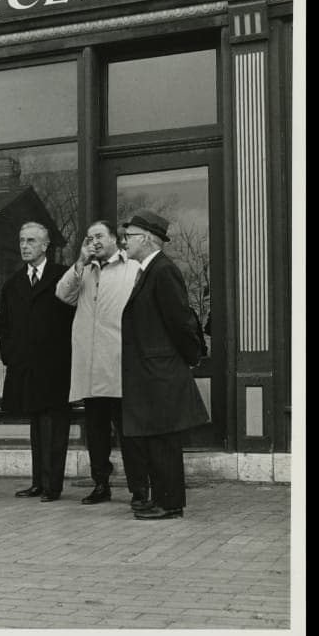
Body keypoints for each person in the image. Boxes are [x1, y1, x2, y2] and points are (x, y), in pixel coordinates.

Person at [120, 210, 210, 520]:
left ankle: (169, 502)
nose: (124, 241)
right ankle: (161, 497)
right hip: (152, 372)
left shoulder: (162, 270)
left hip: (161, 372)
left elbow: (181, 321)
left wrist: (188, 357)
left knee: (164, 439)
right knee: (155, 437)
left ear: (146, 239)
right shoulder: (150, 270)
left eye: (129, 236)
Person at [55, 220, 147, 507]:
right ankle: (100, 484)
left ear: (114, 239)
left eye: (98, 236)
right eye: (88, 237)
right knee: (96, 434)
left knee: (128, 432)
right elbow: (62, 294)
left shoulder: (131, 267)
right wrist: (79, 262)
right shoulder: (84, 270)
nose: (93, 242)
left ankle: (139, 489)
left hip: (119, 364)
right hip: (91, 366)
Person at [0, 222, 75, 502]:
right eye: (21, 241)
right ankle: (37, 483)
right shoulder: (13, 282)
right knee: (36, 426)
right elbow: (3, 325)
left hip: (56, 368)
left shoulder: (63, 276)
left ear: (45, 246)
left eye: (31, 241)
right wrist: (11, 356)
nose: (25, 246)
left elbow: (74, 321)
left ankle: (52, 485)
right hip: (26, 367)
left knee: (55, 427)